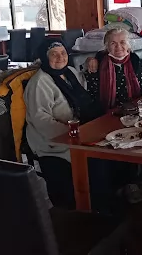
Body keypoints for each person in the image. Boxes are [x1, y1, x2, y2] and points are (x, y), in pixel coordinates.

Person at [24, 40, 104, 209]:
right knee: (95, 163)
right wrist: (73, 134)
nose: (60, 57)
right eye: (54, 54)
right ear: (44, 58)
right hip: (53, 141)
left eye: (63, 53)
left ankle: (101, 203)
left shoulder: (71, 72)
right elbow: (41, 120)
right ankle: (86, 209)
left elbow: (86, 96)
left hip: (79, 131)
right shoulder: (40, 82)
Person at [84, 29, 142, 111]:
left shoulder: (137, 63)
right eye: (113, 43)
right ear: (107, 47)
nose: (118, 46)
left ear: (128, 45)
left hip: (136, 111)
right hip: (107, 116)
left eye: (122, 42)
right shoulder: (97, 65)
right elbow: (90, 98)